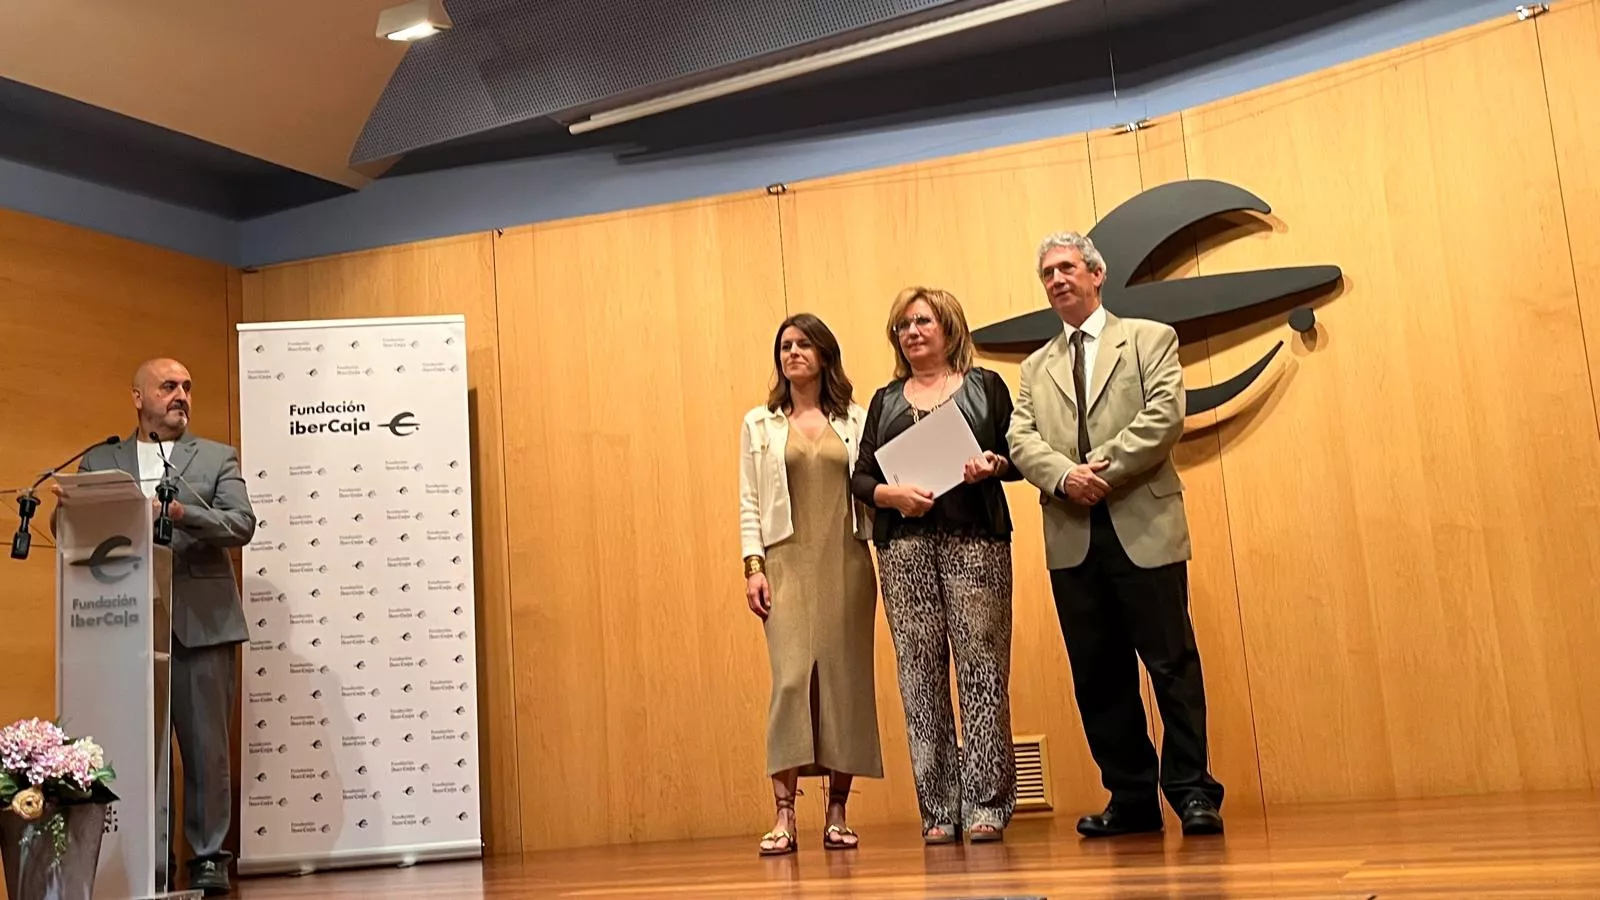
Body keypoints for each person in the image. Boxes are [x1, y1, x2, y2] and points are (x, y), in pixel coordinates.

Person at [1006, 232, 1226, 837]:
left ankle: (1192, 793)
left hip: (1142, 523)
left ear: (1096, 275)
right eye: (1047, 272)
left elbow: (1164, 417)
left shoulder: (1150, 339)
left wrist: (1098, 470)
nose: (1056, 280)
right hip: (1072, 534)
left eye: (1067, 268)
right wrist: (1063, 478)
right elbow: (1021, 441)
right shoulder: (1034, 367)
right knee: (1097, 673)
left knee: (1171, 665)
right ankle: (1130, 798)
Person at [56, 358, 257, 894]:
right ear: (138, 397)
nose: (181, 395)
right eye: (169, 386)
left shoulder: (215, 457)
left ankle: (209, 856)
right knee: (137, 747)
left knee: (205, 746)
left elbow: (241, 524)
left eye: (188, 387)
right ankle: (150, 857)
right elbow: (68, 524)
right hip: (123, 624)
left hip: (200, 623)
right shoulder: (102, 458)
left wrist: (187, 515)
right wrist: (69, 508)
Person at [851, 287, 1021, 844]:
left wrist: (992, 464)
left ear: (948, 326)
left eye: (922, 321)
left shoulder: (985, 386)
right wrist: (891, 498)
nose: (912, 332)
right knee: (919, 675)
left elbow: (1017, 456)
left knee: (982, 670)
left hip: (977, 541)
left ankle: (987, 806)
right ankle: (937, 809)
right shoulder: (884, 399)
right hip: (903, 548)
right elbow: (860, 477)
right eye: (902, 325)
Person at [739, 314, 883, 856]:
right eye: (785, 346)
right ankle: (784, 814)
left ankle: (839, 811)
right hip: (785, 563)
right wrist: (753, 567)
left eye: (803, 344)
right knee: (791, 682)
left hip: (847, 561)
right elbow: (749, 500)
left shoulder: (857, 419)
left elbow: (876, 484)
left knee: (845, 682)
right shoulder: (760, 424)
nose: (792, 352)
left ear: (824, 353)